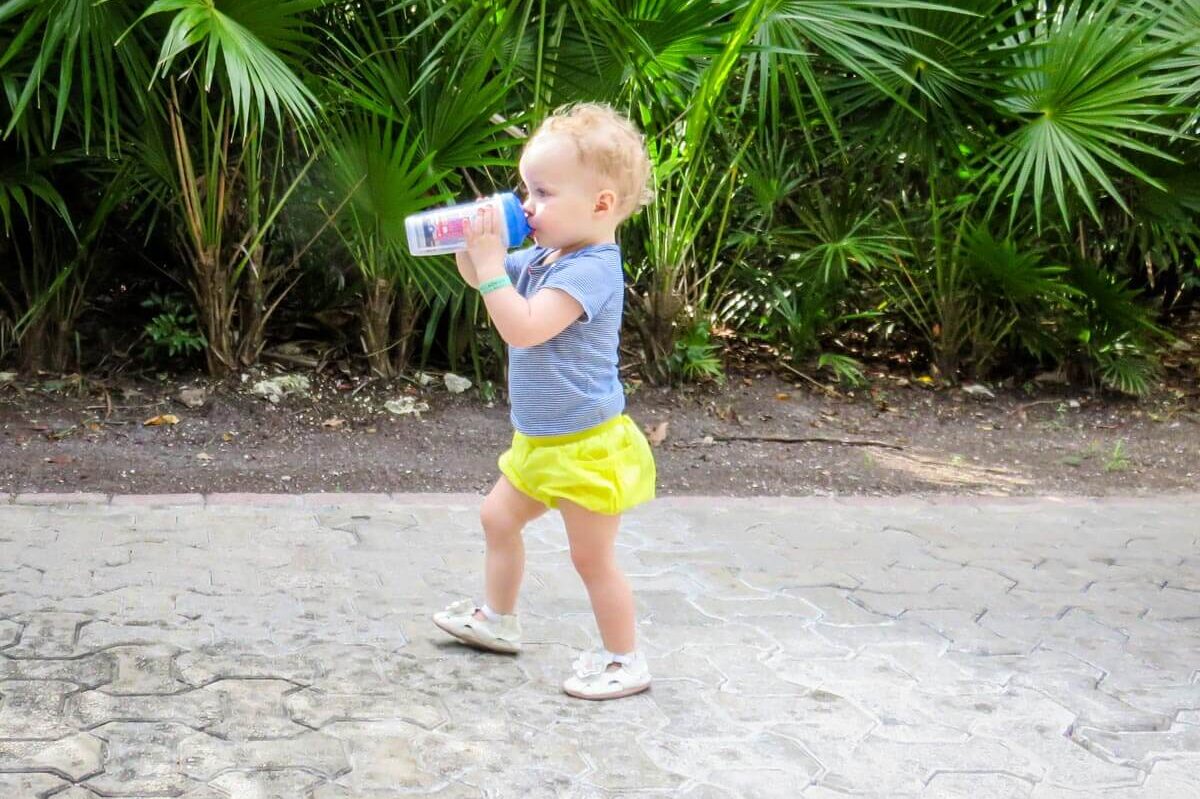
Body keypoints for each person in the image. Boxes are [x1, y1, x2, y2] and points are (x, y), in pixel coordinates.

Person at [432, 102, 657, 701]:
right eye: (524, 189)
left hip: (586, 447)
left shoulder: (592, 271)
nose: (527, 204)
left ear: (601, 205)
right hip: (540, 441)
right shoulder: (544, 253)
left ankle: (624, 658)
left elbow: (524, 325)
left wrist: (489, 270)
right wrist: (472, 243)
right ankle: (498, 620)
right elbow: (483, 278)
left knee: (591, 559)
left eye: (543, 192)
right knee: (497, 518)